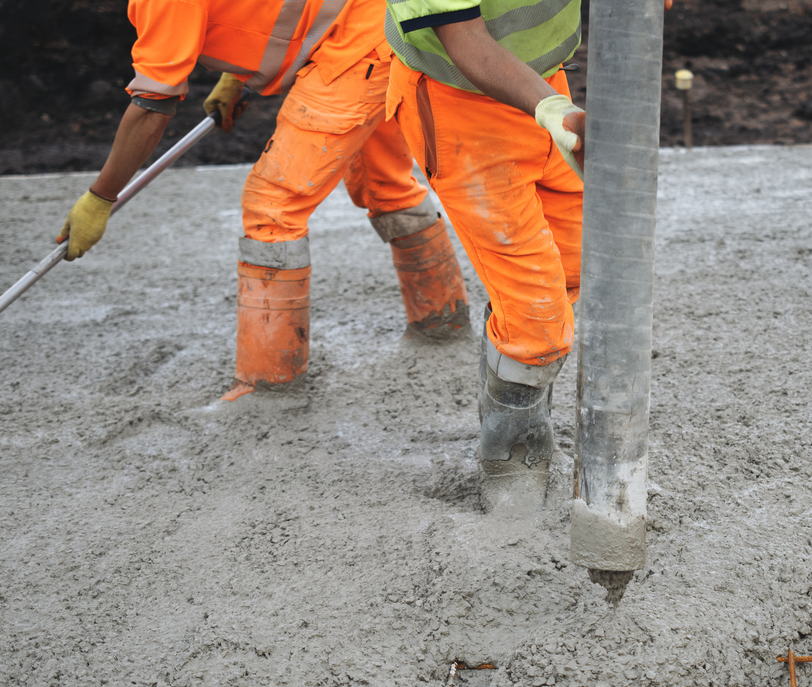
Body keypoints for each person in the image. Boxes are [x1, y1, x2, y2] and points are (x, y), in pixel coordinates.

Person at [56, 0, 469, 402]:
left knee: (273, 207)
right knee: (384, 182)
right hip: (381, 23)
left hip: (354, 48)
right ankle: (442, 319)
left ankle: (269, 382)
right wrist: (234, 79)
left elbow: (152, 105)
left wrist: (100, 198)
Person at [384, 0, 589, 488]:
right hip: (460, 101)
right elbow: (465, 39)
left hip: (541, 82)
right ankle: (512, 472)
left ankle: (525, 416)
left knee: (573, 270)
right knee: (536, 317)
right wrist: (552, 109)